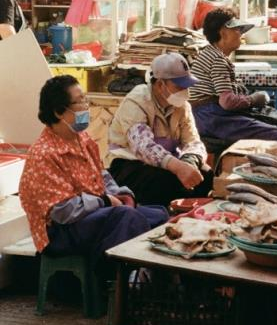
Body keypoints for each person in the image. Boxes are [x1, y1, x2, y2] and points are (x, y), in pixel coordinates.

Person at [18, 76, 167, 272]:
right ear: (58, 111)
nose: (86, 107)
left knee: (160, 215)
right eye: (80, 101)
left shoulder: (82, 139)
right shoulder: (44, 154)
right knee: (126, 218)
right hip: (59, 231)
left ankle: (142, 282)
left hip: (91, 214)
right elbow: (63, 212)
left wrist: (120, 193)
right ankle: (110, 284)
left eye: (85, 99)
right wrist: (104, 201)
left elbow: (101, 175)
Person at [106, 52, 211, 207]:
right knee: (165, 183)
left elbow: (193, 140)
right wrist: (178, 167)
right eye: (179, 86)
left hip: (169, 161)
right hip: (130, 165)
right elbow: (144, 147)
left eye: (186, 86)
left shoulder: (182, 106)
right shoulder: (137, 101)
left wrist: (190, 161)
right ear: (161, 84)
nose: (184, 91)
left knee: (205, 176)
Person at [190, 9, 277, 146]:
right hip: (210, 117)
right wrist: (253, 100)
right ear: (223, 33)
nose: (241, 34)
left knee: (276, 124)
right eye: (237, 30)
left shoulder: (208, 53)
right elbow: (227, 102)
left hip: (203, 115)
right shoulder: (217, 60)